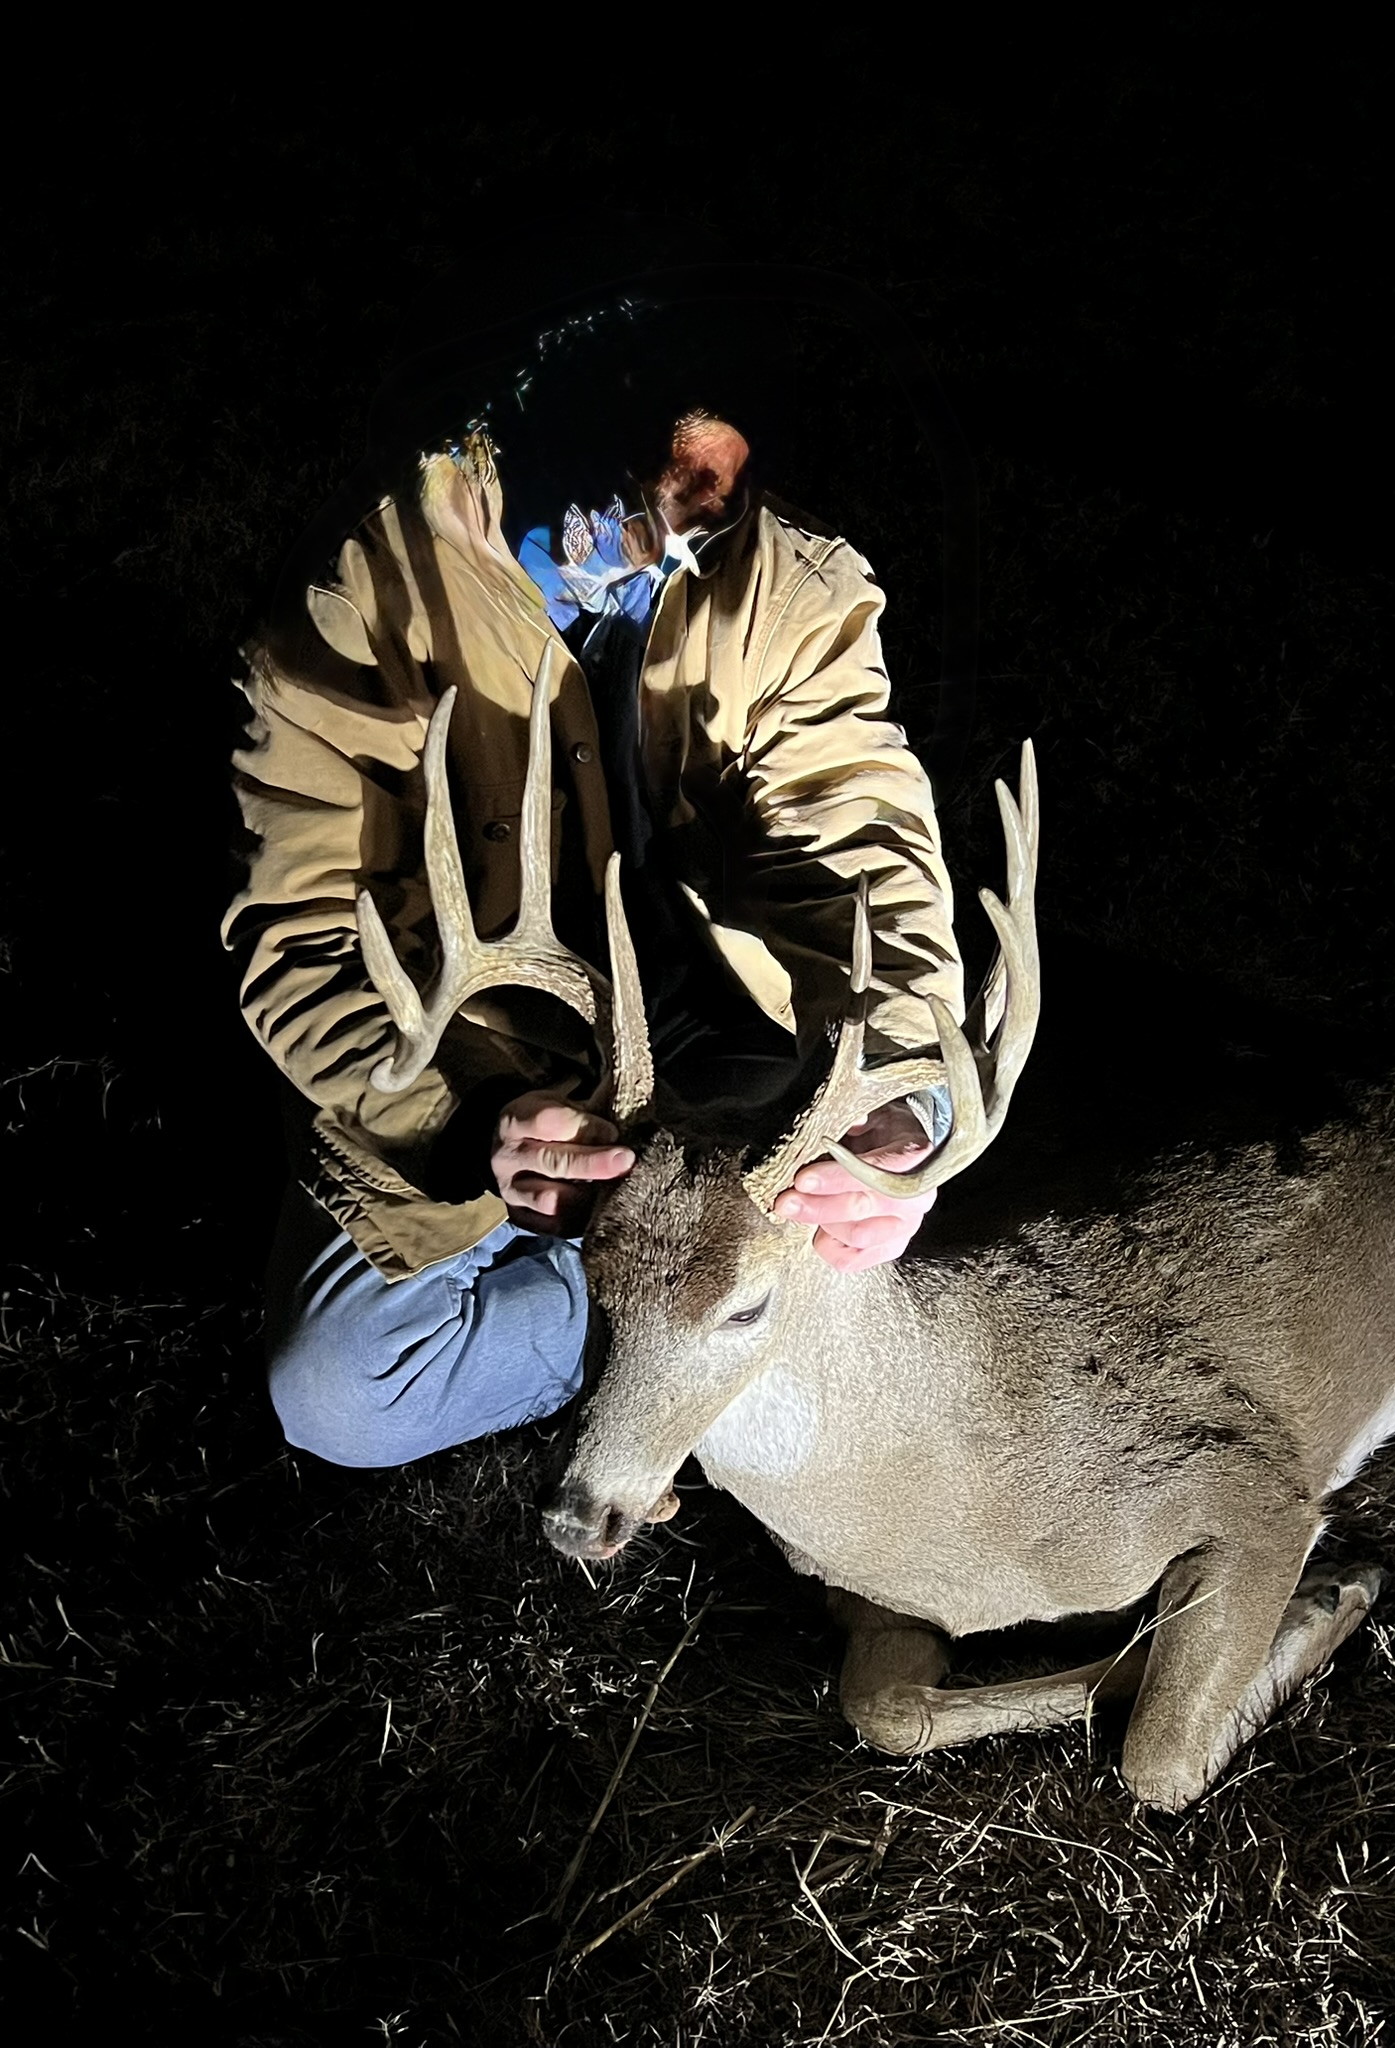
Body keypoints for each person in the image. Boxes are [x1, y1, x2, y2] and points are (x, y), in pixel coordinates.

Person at [224, 412, 964, 1467]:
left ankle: (707, 1307)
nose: (717, 491)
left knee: (886, 1183)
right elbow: (303, 937)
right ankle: (711, 1324)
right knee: (344, 1388)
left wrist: (897, 1091)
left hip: (728, 1069)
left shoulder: (787, 581)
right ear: (559, 408)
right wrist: (469, 1118)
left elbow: (860, 840)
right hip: (499, 1071)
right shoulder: (363, 594)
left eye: (736, 453)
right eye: (683, 454)